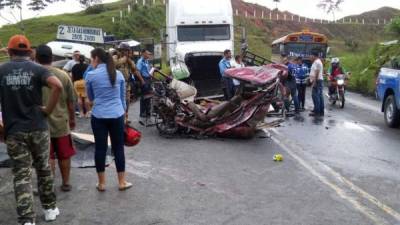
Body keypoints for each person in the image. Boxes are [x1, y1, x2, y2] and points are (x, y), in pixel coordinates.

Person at [0, 35, 62, 225]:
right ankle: (50, 209)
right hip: (39, 128)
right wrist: (48, 110)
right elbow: (57, 86)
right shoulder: (38, 68)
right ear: (28, 51)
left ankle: (27, 219)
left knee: (21, 174)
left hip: (14, 131)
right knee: (43, 169)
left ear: (9, 52)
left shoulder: (1, 70)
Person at [85, 48, 132, 192]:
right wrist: (124, 114)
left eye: (91, 59)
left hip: (98, 116)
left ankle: (101, 184)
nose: (91, 61)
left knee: (100, 148)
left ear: (96, 58)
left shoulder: (90, 76)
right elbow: (122, 98)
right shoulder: (118, 75)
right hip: (117, 115)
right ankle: (122, 182)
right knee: (118, 148)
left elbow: (91, 98)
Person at [37, 44, 76, 192]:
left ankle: (49, 185)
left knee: (48, 155)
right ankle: (66, 183)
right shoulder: (63, 75)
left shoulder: (34, 75)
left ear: (36, 57)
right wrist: (72, 119)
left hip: (40, 123)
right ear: (52, 58)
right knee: (64, 154)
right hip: (61, 121)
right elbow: (71, 102)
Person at [114, 43, 144, 123]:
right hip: (116, 84)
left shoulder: (129, 60)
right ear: (121, 51)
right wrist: (124, 59)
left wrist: (141, 80)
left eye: (127, 51)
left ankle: (125, 116)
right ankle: (118, 117)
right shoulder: (115, 58)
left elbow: (135, 70)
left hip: (126, 84)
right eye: (125, 51)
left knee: (127, 101)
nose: (127, 52)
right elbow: (114, 64)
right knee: (118, 101)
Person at [137, 49, 154, 121]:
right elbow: (137, 72)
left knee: (149, 96)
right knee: (144, 97)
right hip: (144, 79)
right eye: (147, 54)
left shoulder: (146, 61)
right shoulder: (140, 62)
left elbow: (148, 70)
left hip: (148, 79)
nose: (148, 55)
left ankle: (148, 112)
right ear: (143, 54)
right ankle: (143, 112)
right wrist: (142, 80)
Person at [309, 51, 325, 117]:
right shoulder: (318, 61)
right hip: (319, 80)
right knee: (320, 96)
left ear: (314, 56)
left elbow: (317, 72)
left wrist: (314, 82)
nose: (310, 57)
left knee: (315, 96)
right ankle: (320, 110)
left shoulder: (316, 62)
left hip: (317, 81)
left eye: (311, 56)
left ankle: (317, 111)